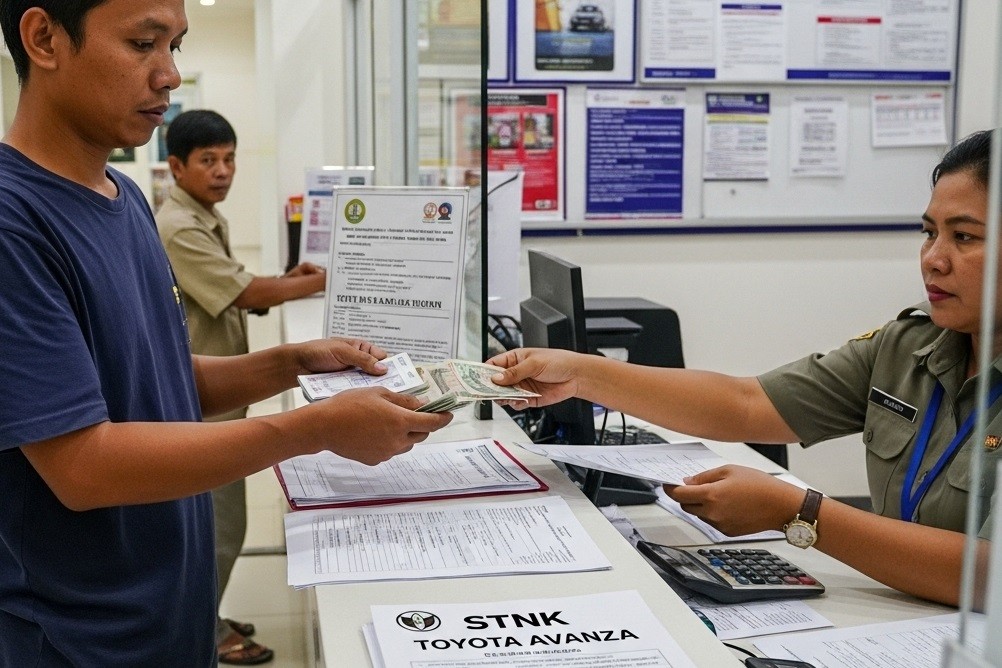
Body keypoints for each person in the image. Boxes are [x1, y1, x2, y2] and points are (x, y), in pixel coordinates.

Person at [0, 1, 452, 665]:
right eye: (142, 43)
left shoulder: (121, 201)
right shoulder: (15, 225)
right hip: (82, 639)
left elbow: (156, 382)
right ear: (43, 38)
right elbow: (81, 467)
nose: (170, 76)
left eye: (175, 45)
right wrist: (312, 430)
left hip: (167, 615)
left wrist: (290, 363)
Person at [489, 129, 999, 608]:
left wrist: (799, 512)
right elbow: (747, 403)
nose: (933, 258)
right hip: (902, 617)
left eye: (965, 238)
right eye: (929, 232)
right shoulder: (909, 348)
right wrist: (582, 375)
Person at [156, 109, 325, 665]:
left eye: (229, 159)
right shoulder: (179, 225)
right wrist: (319, 283)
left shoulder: (202, 213)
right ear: (176, 167)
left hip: (216, 395)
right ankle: (204, 631)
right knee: (220, 529)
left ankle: (209, 614)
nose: (223, 171)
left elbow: (239, 288)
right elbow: (245, 294)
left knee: (218, 526)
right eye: (208, 161)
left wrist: (290, 284)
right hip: (202, 406)